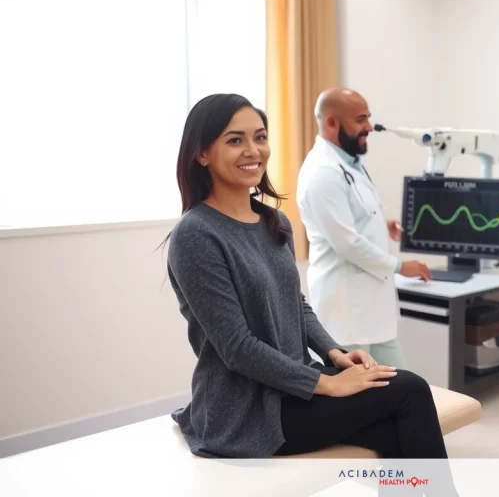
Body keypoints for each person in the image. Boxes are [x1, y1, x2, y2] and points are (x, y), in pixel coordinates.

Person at [164, 93, 457, 482]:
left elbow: (296, 304)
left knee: (397, 430)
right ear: (202, 153)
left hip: (292, 386)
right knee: (410, 389)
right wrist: (326, 385)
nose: (253, 150)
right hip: (246, 408)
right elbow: (236, 348)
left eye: (260, 137)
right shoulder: (196, 235)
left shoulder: (274, 222)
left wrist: (335, 354)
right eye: (235, 140)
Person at [296, 88, 432, 369]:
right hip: (347, 313)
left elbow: (348, 217)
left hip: (372, 311)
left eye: (368, 117)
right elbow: (347, 244)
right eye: (360, 119)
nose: (369, 126)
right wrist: (400, 266)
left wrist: (379, 223)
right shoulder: (323, 173)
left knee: (405, 385)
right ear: (331, 122)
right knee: (359, 393)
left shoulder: (349, 163)